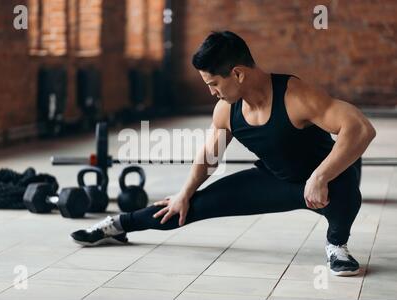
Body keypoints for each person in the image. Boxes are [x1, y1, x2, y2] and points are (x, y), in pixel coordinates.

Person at [70, 31, 376, 276]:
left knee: (347, 189)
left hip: (324, 183)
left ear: (238, 74)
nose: (211, 92)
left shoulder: (296, 97)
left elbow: (361, 128)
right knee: (185, 208)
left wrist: (321, 175)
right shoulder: (226, 111)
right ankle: (120, 225)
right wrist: (185, 192)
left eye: (214, 83)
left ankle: (337, 245)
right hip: (273, 181)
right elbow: (209, 156)